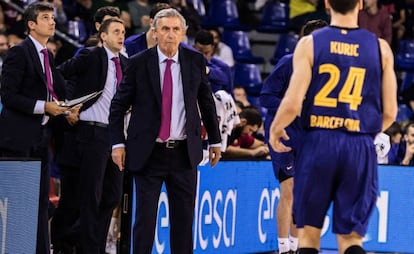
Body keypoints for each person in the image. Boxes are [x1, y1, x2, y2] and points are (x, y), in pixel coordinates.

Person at [268, 0, 398, 253]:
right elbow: (391, 112)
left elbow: (293, 103)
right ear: (360, 4)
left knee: (308, 237)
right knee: (351, 239)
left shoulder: (310, 43)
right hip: (358, 142)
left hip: (319, 141)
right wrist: (361, 132)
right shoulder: (380, 47)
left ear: (327, 3)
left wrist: (276, 129)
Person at [109, 8, 221, 254]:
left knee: (183, 221)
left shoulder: (195, 61)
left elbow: (206, 102)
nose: (170, 34)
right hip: (148, 153)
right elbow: (117, 106)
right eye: (165, 29)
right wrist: (117, 143)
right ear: (155, 32)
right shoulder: (139, 62)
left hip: (184, 153)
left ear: (184, 33)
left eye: (175, 29)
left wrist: (215, 140)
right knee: (145, 222)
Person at [0, 2, 77, 254]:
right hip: (19, 139)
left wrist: (69, 107)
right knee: (22, 202)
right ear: (31, 24)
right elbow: (8, 95)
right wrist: (43, 107)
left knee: (42, 203)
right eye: (45, 17)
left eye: (53, 17)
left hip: (43, 138)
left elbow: (56, 91)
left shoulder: (48, 55)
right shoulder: (19, 52)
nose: (52, 22)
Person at [57, 17, 127, 253]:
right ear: (103, 36)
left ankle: (73, 236)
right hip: (91, 132)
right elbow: (59, 74)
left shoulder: (126, 63)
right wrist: (65, 106)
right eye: (116, 31)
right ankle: (89, 249)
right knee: (91, 196)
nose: (121, 35)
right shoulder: (91, 56)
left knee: (112, 195)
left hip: (115, 138)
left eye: (123, 32)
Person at [260, 19, 328, 254]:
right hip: (284, 132)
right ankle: (282, 248)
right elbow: (266, 97)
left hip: (309, 134)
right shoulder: (289, 62)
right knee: (288, 188)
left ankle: (297, 247)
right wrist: (293, 106)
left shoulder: (327, 68)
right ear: (305, 40)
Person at [193, 30, 233, 94]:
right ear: (194, 47)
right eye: (200, 52)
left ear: (212, 48)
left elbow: (229, 94)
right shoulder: (187, 65)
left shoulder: (223, 67)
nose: (203, 57)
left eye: (206, 53)